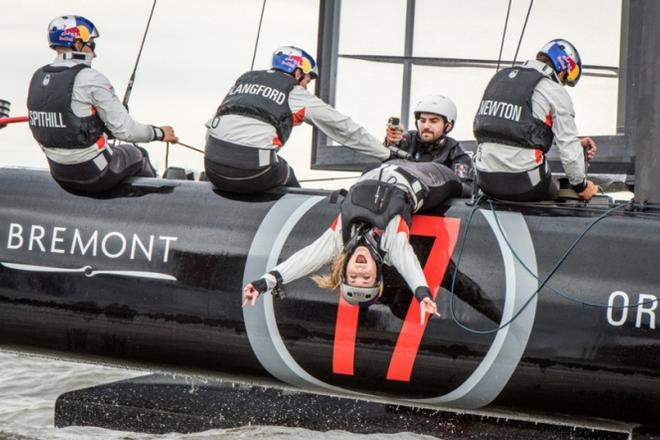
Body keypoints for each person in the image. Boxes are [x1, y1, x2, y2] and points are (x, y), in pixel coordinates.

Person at [242, 159, 466, 325]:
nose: (359, 270)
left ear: (345, 271)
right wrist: (423, 296)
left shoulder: (339, 241)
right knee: (461, 186)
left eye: (353, 277)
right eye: (365, 278)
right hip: (422, 177)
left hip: (379, 167)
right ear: (376, 273)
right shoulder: (390, 244)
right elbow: (409, 265)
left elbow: (304, 260)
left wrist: (264, 283)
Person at [204, 46, 398, 194]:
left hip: (211, 165)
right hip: (252, 172)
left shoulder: (245, 79)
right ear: (297, 73)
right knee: (288, 174)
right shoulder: (294, 91)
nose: (306, 87)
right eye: (307, 81)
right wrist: (385, 154)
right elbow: (341, 126)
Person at [27, 15, 178, 195]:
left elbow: (69, 125)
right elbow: (127, 131)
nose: (94, 53)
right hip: (94, 175)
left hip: (59, 175)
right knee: (139, 154)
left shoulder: (38, 76)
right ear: (77, 44)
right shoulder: (90, 78)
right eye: (92, 44)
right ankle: (154, 209)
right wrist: (159, 133)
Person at [472, 38, 598, 202]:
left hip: (484, 179)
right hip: (524, 184)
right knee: (559, 196)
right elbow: (568, 149)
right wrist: (582, 186)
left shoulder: (500, 78)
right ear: (562, 70)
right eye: (566, 80)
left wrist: (576, 143)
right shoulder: (554, 90)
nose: (563, 84)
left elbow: (512, 129)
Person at [385, 94, 474, 198]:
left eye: (433, 121)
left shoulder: (456, 154)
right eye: (422, 120)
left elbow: (465, 191)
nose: (426, 126)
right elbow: (385, 165)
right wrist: (390, 143)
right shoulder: (407, 141)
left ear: (448, 125)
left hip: (435, 210)